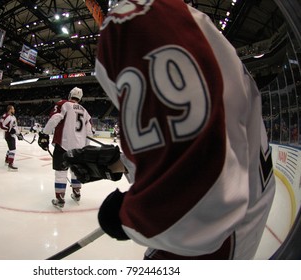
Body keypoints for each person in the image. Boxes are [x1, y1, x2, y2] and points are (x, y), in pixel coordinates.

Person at [63, 0, 276, 259]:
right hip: (242, 221)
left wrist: (124, 217)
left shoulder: (137, 17)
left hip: (209, 244)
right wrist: (122, 165)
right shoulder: (190, 21)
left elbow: (194, 203)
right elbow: (210, 137)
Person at [38, 87, 93, 209]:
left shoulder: (64, 104)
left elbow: (55, 118)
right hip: (79, 148)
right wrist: (86, 147)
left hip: (63, 144)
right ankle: (77, 193)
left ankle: (60, 198)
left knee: (61, 172)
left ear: (70, 95)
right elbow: (89, 133)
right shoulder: (85, 111)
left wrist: (44, 133)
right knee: (76, 171)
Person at [0, 105, 23, 171]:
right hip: (8, 135)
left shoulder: (14, 117)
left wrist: (19, 134)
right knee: (13, 149)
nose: (14, 110)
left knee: (11, 149)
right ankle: (10, 163)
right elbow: (1, 126)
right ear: (10, 110)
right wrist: (9, 129)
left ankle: (7, 160)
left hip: (12, 135)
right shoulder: (6, 116)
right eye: (13, 109)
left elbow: (15, 127)